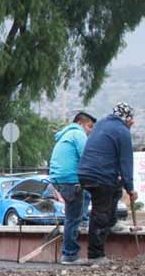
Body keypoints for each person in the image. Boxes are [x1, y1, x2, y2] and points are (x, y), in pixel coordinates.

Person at [77, 102, 137, 265]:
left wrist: (123, 185)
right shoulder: (122, 131)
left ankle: (111, 223)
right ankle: (95, 255)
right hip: (99, 176)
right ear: (127, 118)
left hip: (85, 173)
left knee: (115, 190)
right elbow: (126, 162)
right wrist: (130, 188)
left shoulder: (102, 123)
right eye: (131, 119)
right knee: (100, 213)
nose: (133, 122)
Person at [48, 111, 96, 264]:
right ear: (81, 123)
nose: (90, 131)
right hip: (70, 180)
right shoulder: (78, 134)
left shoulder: (65, 135)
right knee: (72, 218)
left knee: (86, 195)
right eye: (89, 127)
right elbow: (87, 157)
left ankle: (83, 219)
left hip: (59, 179)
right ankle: (69, 254)